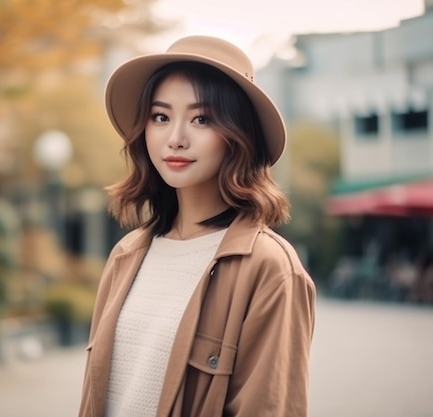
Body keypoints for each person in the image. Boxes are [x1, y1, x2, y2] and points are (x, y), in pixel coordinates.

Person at [78, 36, 316, 417]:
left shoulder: (269, 268)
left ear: (237, 136)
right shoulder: (127, 255)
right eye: (161, 117)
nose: (175, 138)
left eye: (201, 119)